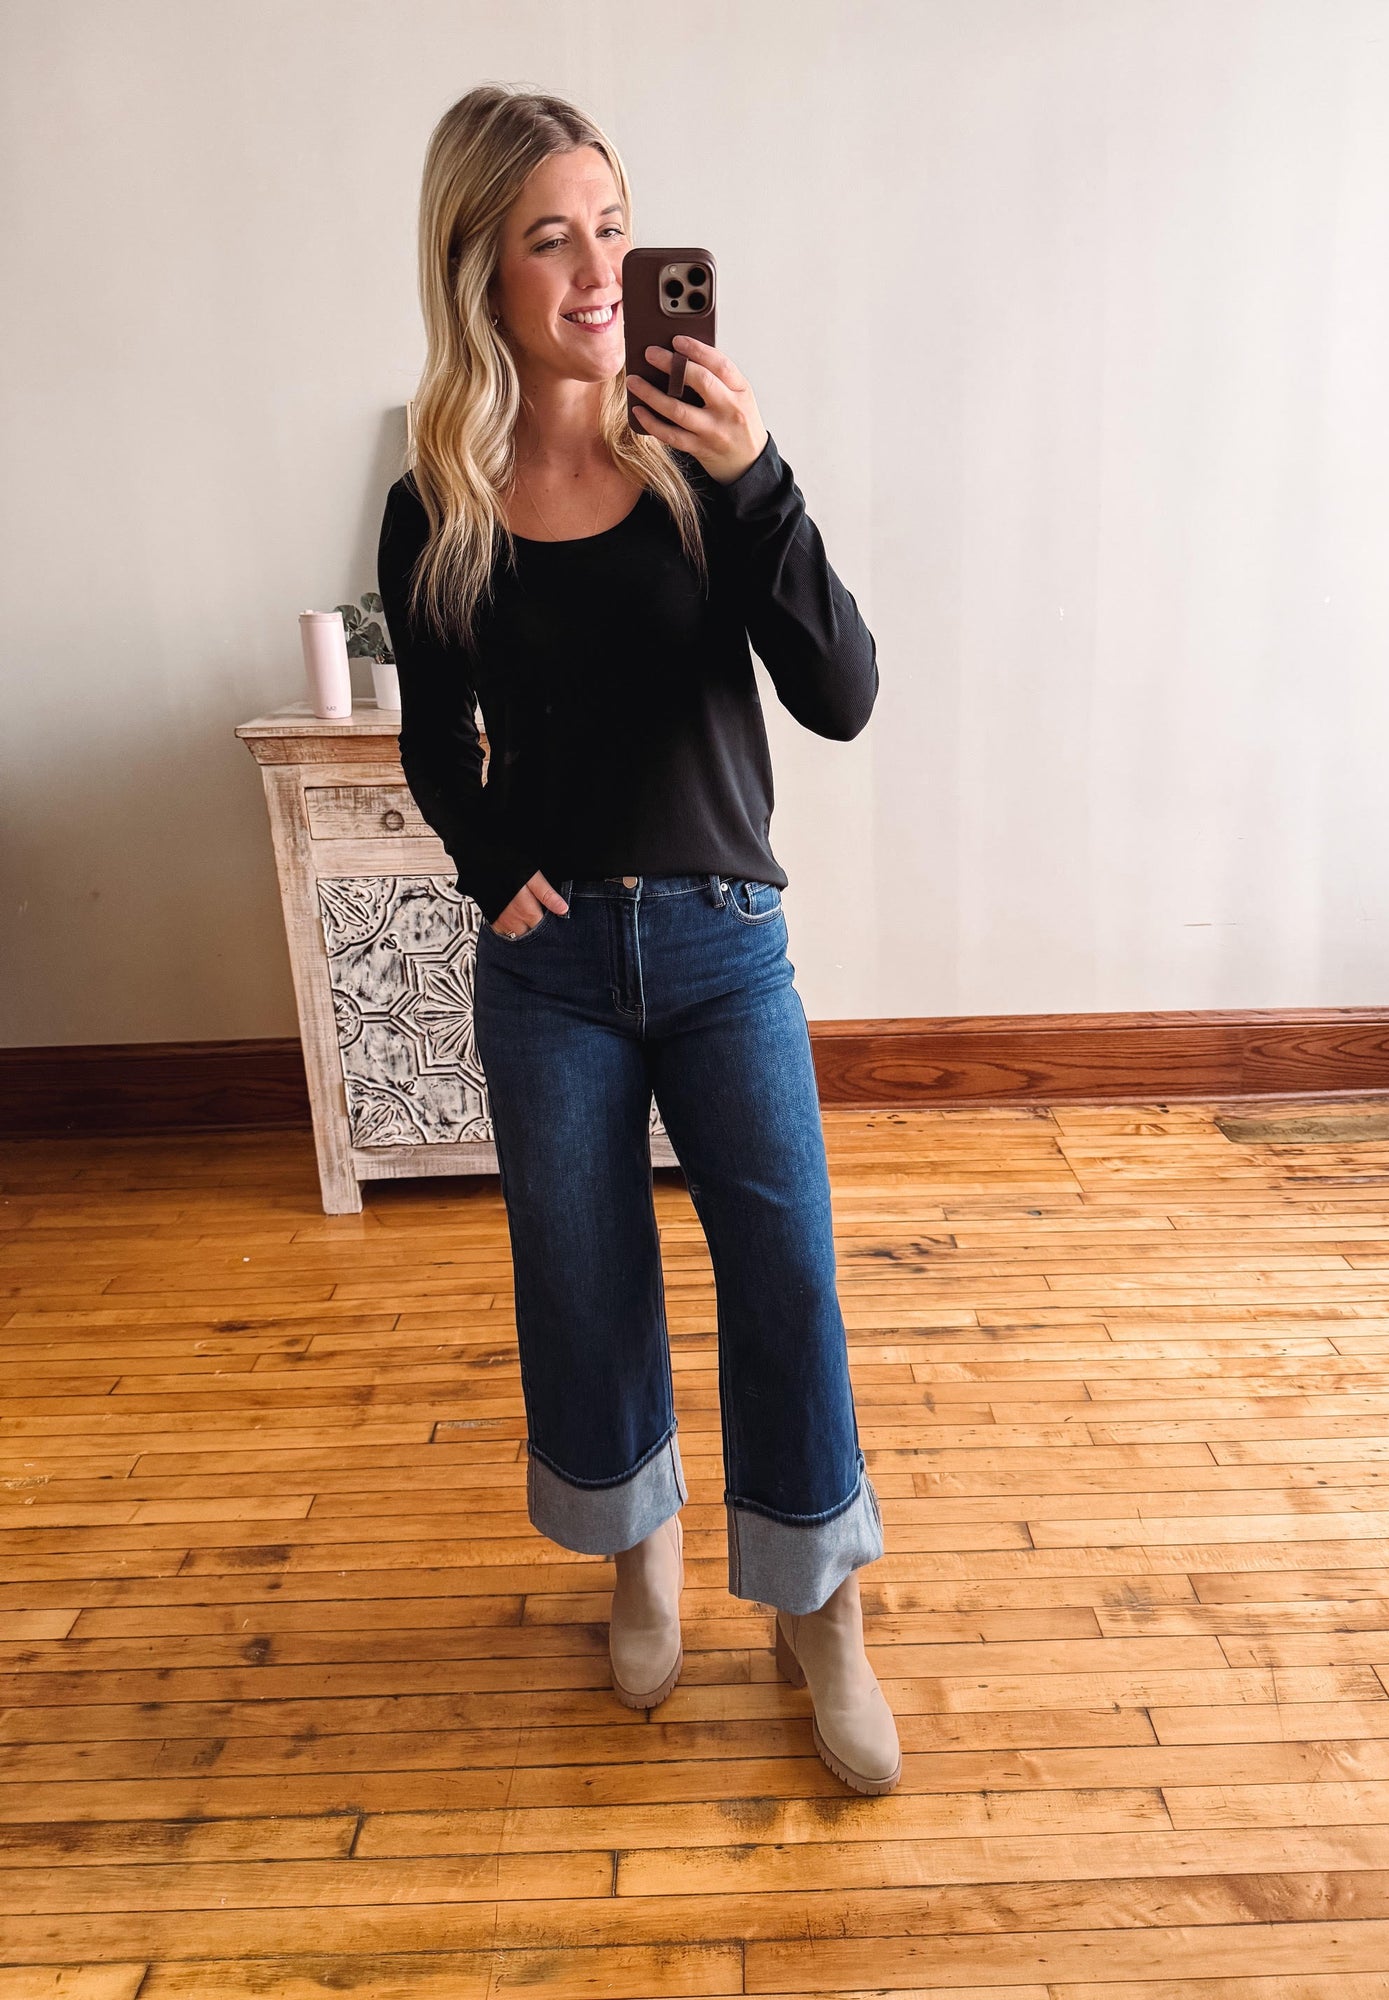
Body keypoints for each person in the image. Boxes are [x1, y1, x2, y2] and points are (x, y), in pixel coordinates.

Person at [376, 83, 900, 1795]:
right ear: (483, 271)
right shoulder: (438, 497)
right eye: (553, 239)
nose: (601, 269)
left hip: (723, 940)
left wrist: (760, 480)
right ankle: (640, 1548)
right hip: (549, 978)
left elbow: (843, 693)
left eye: (612, 226)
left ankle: (820, 1605)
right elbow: (433, 738)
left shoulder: (700, 461)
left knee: (788, 1275)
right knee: (582, 1279)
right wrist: (489, 861)